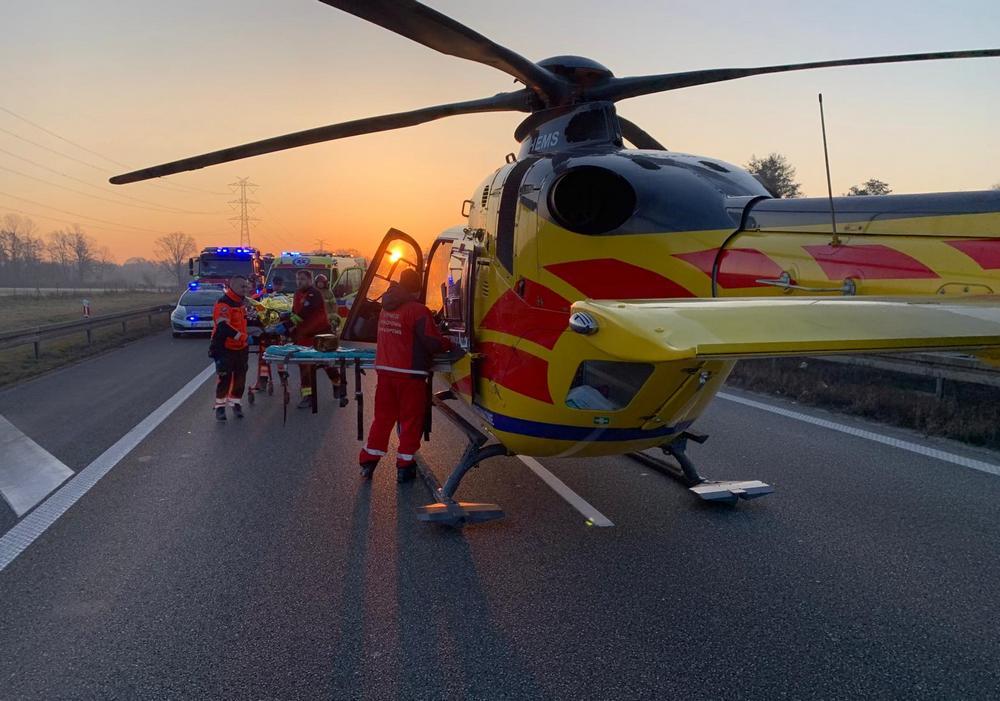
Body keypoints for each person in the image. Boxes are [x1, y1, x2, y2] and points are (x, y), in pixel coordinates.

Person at [358, 268, 452, 483]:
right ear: (416, 288)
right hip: (410, 375)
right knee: (410, 421)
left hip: (385, 372)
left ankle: (368, 461)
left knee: (382, 419)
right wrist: (450, 344)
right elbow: (433, 342)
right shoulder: (418, 311)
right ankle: (405, 466)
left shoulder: (386, 308)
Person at [287, 269, 336, 408]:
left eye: (302, 279)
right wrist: (288, 324)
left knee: (326, 363)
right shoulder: (297, 294)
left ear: (310, 280)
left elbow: (304, 313)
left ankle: (338, 384)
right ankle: (308, 395)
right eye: (298, 279)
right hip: (303, 336)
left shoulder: (314, 294)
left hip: (321, 335)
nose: (299, 282)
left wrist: (287, 325)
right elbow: (295, 311)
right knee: (304, 366)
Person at [209, 275, 253, 421]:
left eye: (246, 286)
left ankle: (236, 403)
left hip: (241, 347)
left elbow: (245, 322)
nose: (245, 289)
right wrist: (243, 337)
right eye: (242, 286)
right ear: (232, 286)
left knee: (240, 378)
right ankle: (220, 408)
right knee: (224, 378)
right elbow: (223, 327)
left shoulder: (241, 303)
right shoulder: (224, 303)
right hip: (224, 347)